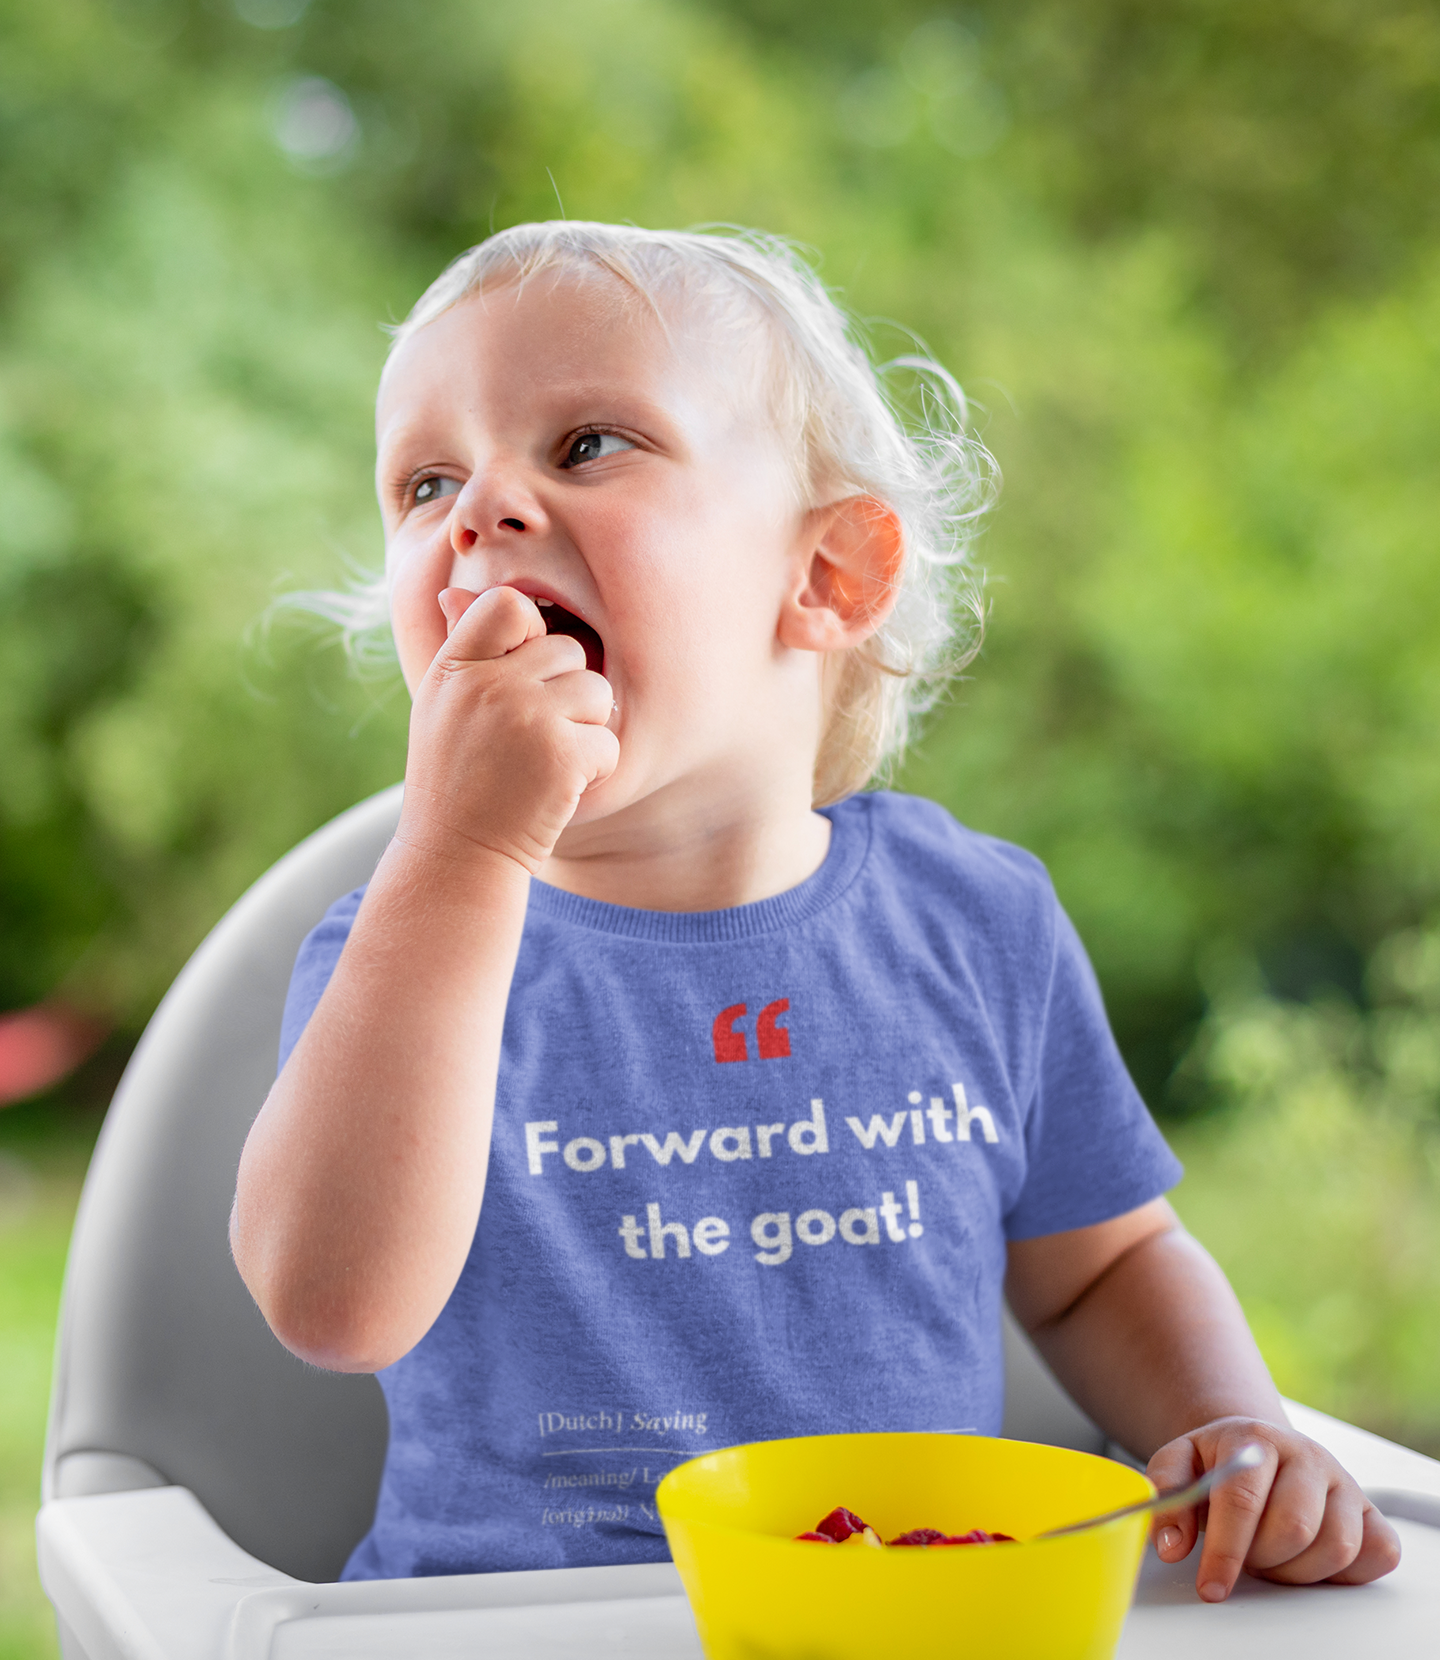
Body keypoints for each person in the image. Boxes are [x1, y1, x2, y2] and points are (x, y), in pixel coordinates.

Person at [231, 223, 1400, 1596]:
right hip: (513, 1620)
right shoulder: (412, 948)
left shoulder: (976, 925)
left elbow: (1104, 1266)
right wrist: (462, 855)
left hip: (908, 1610)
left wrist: (1230, 1430)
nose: (479, 506)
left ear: (829, 575)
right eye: (426, 481)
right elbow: (333, 1304)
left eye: (588, 444)